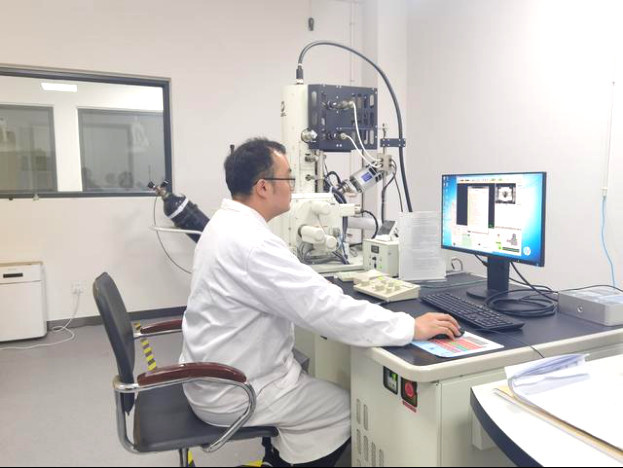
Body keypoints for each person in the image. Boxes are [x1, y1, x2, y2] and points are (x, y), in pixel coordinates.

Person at [180, 138, 460, 467]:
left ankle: (283, 452)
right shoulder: (252, 244)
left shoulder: (223, 225)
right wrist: (410, 326)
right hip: (236, 390)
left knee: (310, 367)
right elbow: (325, 309)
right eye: (288, 178)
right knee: (347, 409)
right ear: (263, 188)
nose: (294, 188)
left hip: (212, 375)